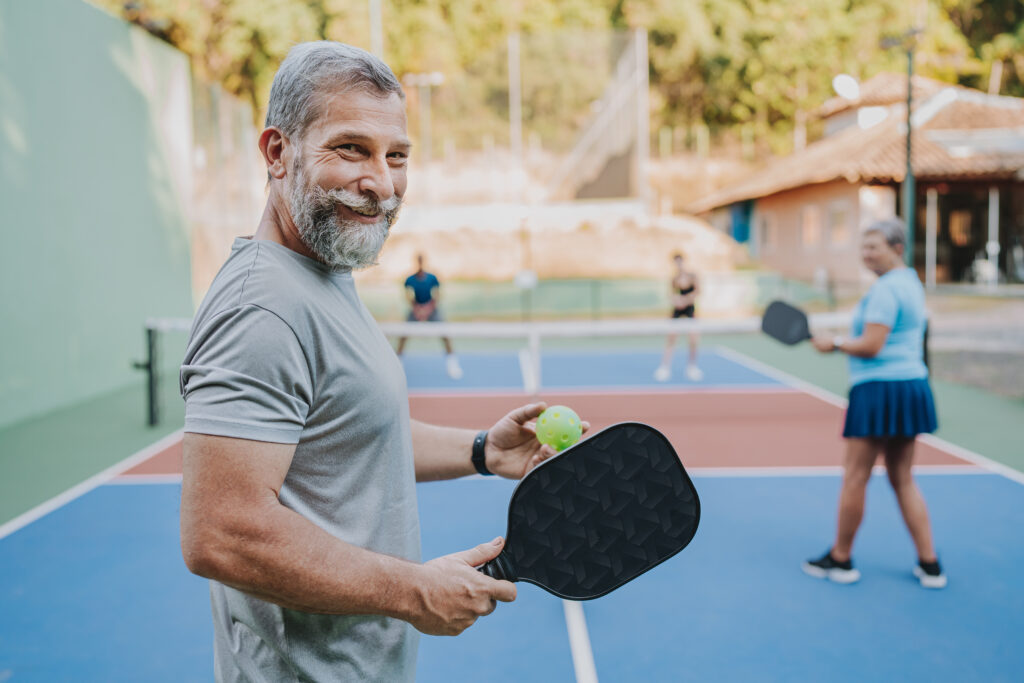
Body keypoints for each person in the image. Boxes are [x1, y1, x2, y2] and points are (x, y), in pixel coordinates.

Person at [178, 42, 581, 682]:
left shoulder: (323, 272)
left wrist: (483, 451)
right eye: (351, 149)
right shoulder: (265, 307)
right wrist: (414, 591)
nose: (382, 182)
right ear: (277, 153)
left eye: (396, 156)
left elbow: (350, 434)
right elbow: (221, 532)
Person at [802, 217, 945, 589]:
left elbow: (871, 345)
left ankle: (841, 558)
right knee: (902, 478)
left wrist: (833, 343)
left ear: (897, 249)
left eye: (874, 247)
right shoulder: (911, 283)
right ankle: (930, 565)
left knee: (855, 477)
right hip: (911, 386)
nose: (866, 254)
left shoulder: (885, 290)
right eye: (863, 247)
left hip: (879, 390)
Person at [395, 252, 462, 379]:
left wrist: (428, 308)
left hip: (431, 309)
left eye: (422, 260)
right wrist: (417, 309)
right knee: (403, 335)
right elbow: (407, 295)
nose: (420, 263)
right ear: (416, 262)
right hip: (416, 310)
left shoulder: (432, 278)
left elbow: (437, 295)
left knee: (445, 334)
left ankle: (452, 365)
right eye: (418, 260)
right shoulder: (410, 279)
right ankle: (398, 364)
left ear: (424, 261)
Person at [654, 251, 703, 382]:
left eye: (680, 261)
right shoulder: (674, 278)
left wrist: (685, 300)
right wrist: (676, 301)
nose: (678, 264)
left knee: (693, 339)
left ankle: (692, 367)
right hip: (677, 310)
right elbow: (671, 294)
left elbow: (698, 291)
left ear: (683, 261)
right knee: (671, 338)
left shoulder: (692, 276)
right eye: (676, 262)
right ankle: (665, 367)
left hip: (690, 309)